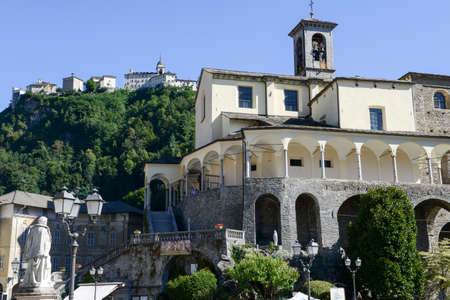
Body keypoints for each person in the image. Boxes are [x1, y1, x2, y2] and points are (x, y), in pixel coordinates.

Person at [22, 216, 53, 289]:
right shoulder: (43, 230)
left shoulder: (32, 229)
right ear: (44, 222)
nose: (46, 223)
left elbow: (28, 243)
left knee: (32, 268)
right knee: (41, 269)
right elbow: (45, 242)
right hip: (41, 253)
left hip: (32, 253)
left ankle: (33, 281)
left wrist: (27, 252)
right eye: (45, 221)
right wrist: (45, 252)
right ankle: (40, 281)